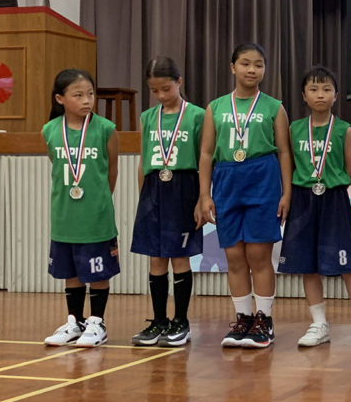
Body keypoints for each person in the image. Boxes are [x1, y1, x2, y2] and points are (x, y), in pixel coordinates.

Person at [279, 66, 351, 348]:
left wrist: (331, 184)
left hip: (334, 199)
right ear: (304, 95)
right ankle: (319, 324)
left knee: (349, 265)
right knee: (308, 266)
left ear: (336, 95)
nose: (320, 95)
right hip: (303, 200)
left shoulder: (343, 129)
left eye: (326, 89)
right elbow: (289, 164)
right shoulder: (294, 129)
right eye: (313, 89)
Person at [196, 43, 291, 348]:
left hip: (262, 179)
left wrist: (287, 192)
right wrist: (204, 195)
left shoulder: (274, 107)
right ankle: (243, 319)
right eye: (246, 63)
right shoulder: (216, 107)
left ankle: (264, 320)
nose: (252, 70)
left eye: (259, 64)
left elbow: (284, 152)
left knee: (259, 255)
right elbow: (206, 153)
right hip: (227, 181)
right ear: (233, 67)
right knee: (234, 256)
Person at [130, 57, 205, 346]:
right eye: (154, 90)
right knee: (156, 257)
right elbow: (143, 160)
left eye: (166, 89)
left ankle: (181, 321)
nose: (161, 95)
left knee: (179, 256)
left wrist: (202, 197)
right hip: (154, 189)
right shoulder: (148, 117)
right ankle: (159, 321)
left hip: (183, 188)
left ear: (179, 82)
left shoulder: (197, 116)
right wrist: (143, 198)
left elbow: (205, 160)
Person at [42, 69, 120, 347]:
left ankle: (97, 322)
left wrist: (99, 201)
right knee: (71, 272)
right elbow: (56, 165)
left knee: (98, 272)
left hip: (96, 216)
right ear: (60, 99)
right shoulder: (50, 130)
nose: (87, 100)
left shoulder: (106, 129)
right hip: (65, 216)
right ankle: (75, 321)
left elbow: (111, 171)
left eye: (90, 94)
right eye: (78, 95)